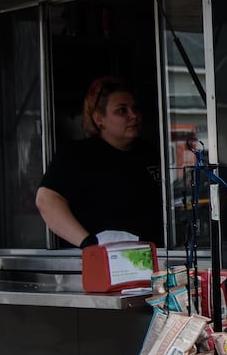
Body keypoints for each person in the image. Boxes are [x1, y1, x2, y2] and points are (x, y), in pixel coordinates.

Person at [36, 77, 163, 247]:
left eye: (135, 109)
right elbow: (47, 200)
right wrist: (88, 243)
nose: (133, 116)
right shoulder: (79, 155)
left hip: (156, 258)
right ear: (99, 118)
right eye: (122, 111)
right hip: (102, 261)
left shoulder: (149, 152)